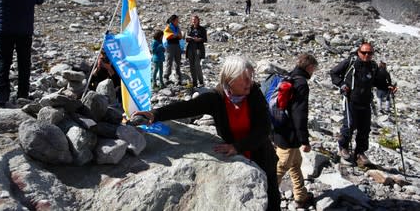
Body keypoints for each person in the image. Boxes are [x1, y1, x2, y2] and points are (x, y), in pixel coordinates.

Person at [134, 56, 281, 210]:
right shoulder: (216, 98)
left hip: (262, 157)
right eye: (245, 78)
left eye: (251, 77)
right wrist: (155, 114)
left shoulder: (254, 94)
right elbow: (187, 107)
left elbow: (264, 129)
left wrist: (237, 147)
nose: (249, 82)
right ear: (230, 79)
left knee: (271, 202)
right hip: (238, 160)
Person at [330, 42, 397, 166]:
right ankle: (343, 147)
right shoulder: (350, 62)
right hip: (350, 99)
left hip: (366, 102)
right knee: (349, 125)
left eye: (370, 53)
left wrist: (388, 87)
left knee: (365, 129)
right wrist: (342, 84)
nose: (367, 55)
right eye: (364, 52)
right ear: (358, 52)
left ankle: (360, 152)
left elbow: (377, 82)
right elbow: (333, 73)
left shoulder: (373, 66)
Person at [273, 53, 317, 209]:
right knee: (282, 165)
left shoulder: (289, 76)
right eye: (314, 69)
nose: (313, 72)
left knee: (295, 163)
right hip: (289, 134)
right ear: (309, 67)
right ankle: (266, 195)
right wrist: (304, 140)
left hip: (279, 128)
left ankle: (300, 196)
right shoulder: (301, 84)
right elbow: (300, 114)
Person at [186, 15, 207, 88]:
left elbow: (205, 39)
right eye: (192, 20)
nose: (193, 21)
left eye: (195, 19)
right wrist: (188, 38)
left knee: (197, 65)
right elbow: (187, 38)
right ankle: (194, 82)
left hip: (198, 48)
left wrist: (199, 39)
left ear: (198, 20)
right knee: (191, 66)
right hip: (190, 48)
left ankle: (201, 81)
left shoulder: (202, 29)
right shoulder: (189, 28)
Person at [163, 14, 183, 85]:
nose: (178, 21)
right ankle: (166, 78)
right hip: (170, 46)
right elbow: (168, 36)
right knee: (169, 62)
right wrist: (175, 35)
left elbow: (180, 36)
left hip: (177, 45)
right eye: (177, 20)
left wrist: (175, 35)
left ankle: (179, 79)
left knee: (177, 62)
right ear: (173, 21)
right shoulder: (168, 27)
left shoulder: (177, 27)